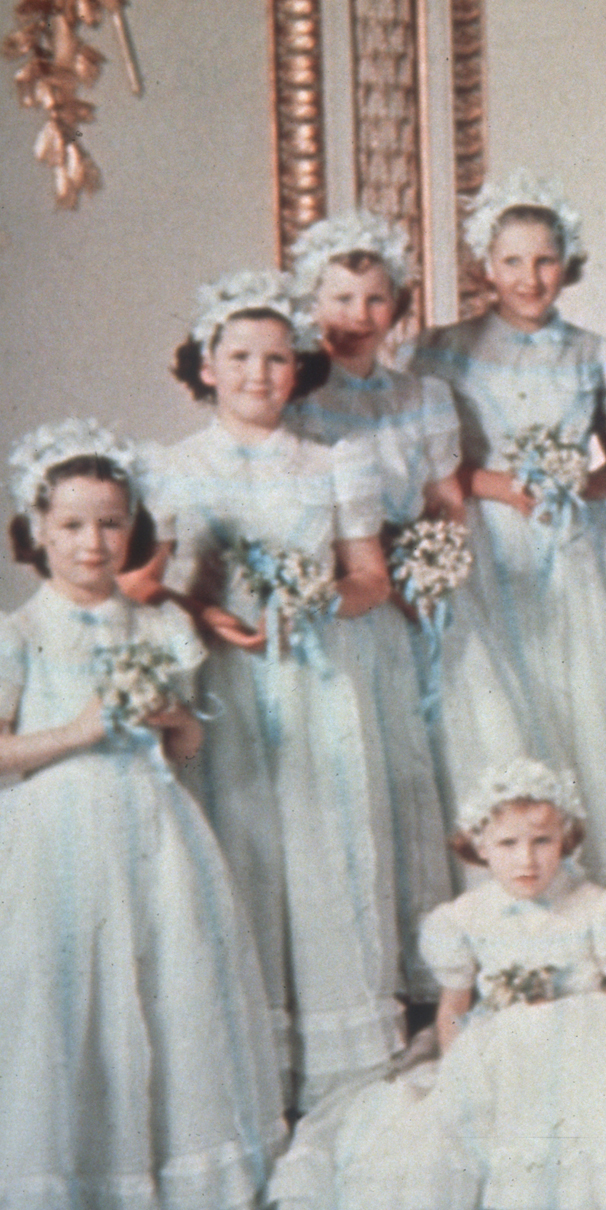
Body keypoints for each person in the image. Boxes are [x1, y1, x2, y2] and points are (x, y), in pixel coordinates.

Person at [0, 420, 283, 1210]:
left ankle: (159, 1199)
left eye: (111, 524)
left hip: (150, 824)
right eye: (72, 525)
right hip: (55, 831)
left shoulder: (157, 622)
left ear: (133, 530)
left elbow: (187, 740)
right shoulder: (15, 631)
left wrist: (164, 719)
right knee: (59, 1006)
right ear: (37, 530)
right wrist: (78, 728)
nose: (93, 543)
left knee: (166, 994)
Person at [268, 758, 606, 1210]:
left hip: (582, 1049)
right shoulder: (464, 917)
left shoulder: (598, 906)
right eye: (507, 844)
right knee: (452, 1106)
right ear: (478, 847)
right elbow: (453, 1008)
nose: (527, 861)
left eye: (543, 842)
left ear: (567, 841)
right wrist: (455, 1072)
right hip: (498, 1055)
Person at [140, 270, 405, 1109]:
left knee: (326, 848)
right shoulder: (169, 467)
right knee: (240, 843)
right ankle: (243, 1055)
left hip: (314, 677)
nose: (261, 373)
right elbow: (146, 587)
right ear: (206, 366)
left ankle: (334, 1064)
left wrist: (321, 594)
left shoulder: (334, 462)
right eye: (241, 357)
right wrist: (204, 611)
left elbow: (372, 578)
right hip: (220, 682)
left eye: (278, 358)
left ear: (298, 368)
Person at [409, 171, 606, 899]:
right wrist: (504, 488)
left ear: (567, 264)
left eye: (545, 261)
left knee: (584, 698)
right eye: (514, 261)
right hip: (487, 541)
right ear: (486, 265)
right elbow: (434, 464)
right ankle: (506, 877)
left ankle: (592, 874)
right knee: (501, 699)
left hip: (572, 547)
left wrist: (576, 486)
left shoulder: (592, 350)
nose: (530, 278)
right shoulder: (444, 349)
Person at [288, 210, 458, 994]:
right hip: (334, 603)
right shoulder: (291, 397)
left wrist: (433, 565)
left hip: (406, 602)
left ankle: (422, 965)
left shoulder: (423, 395)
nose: (358, 319)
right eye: (342, 299)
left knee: (409, 772)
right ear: (310, 302)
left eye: (376, 301)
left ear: (400, 308)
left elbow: (441, 498)